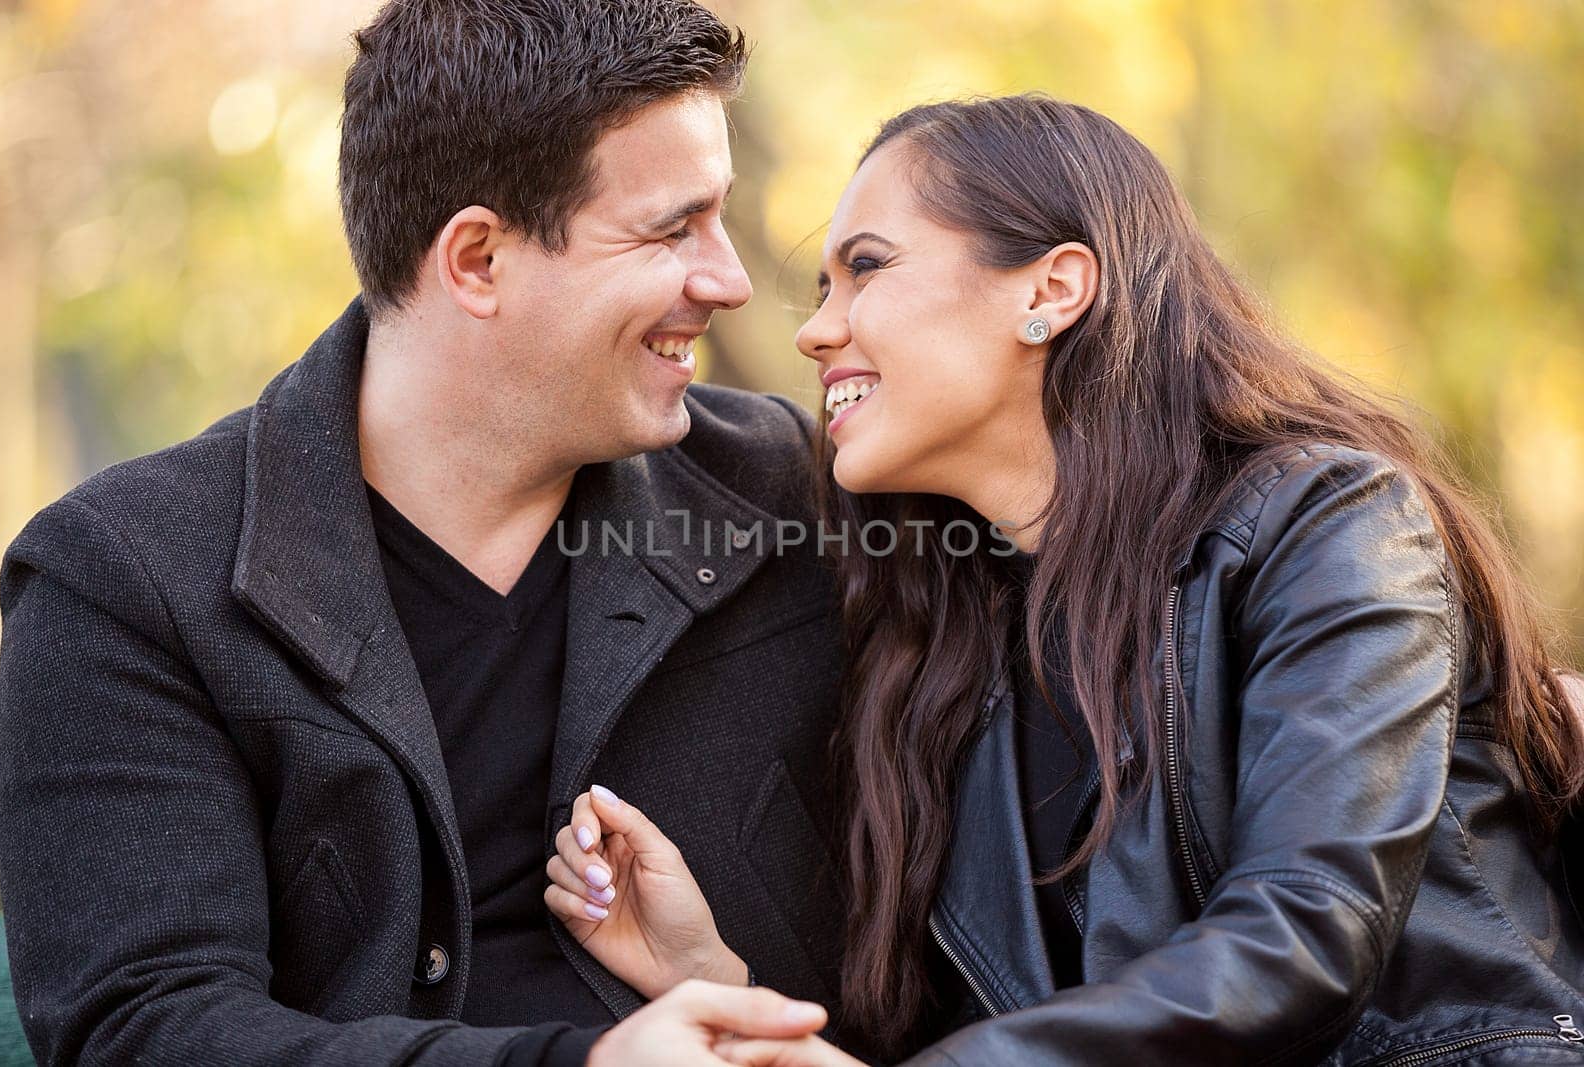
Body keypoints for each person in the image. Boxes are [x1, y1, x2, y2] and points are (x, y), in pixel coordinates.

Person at [545, 94, 1584, 1065]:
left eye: (866, 267)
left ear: (1052, 290)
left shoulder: (1329, 525)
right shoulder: (952, 636)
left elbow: (1305, 933)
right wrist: (714, 981)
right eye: (823, 288)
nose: (817, 328)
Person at [0, 2, 850, 1065]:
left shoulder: (792, 494)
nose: (725, 278)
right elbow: (147, 1030)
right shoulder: (125, 582)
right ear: (478, 259)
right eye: (673, 228)